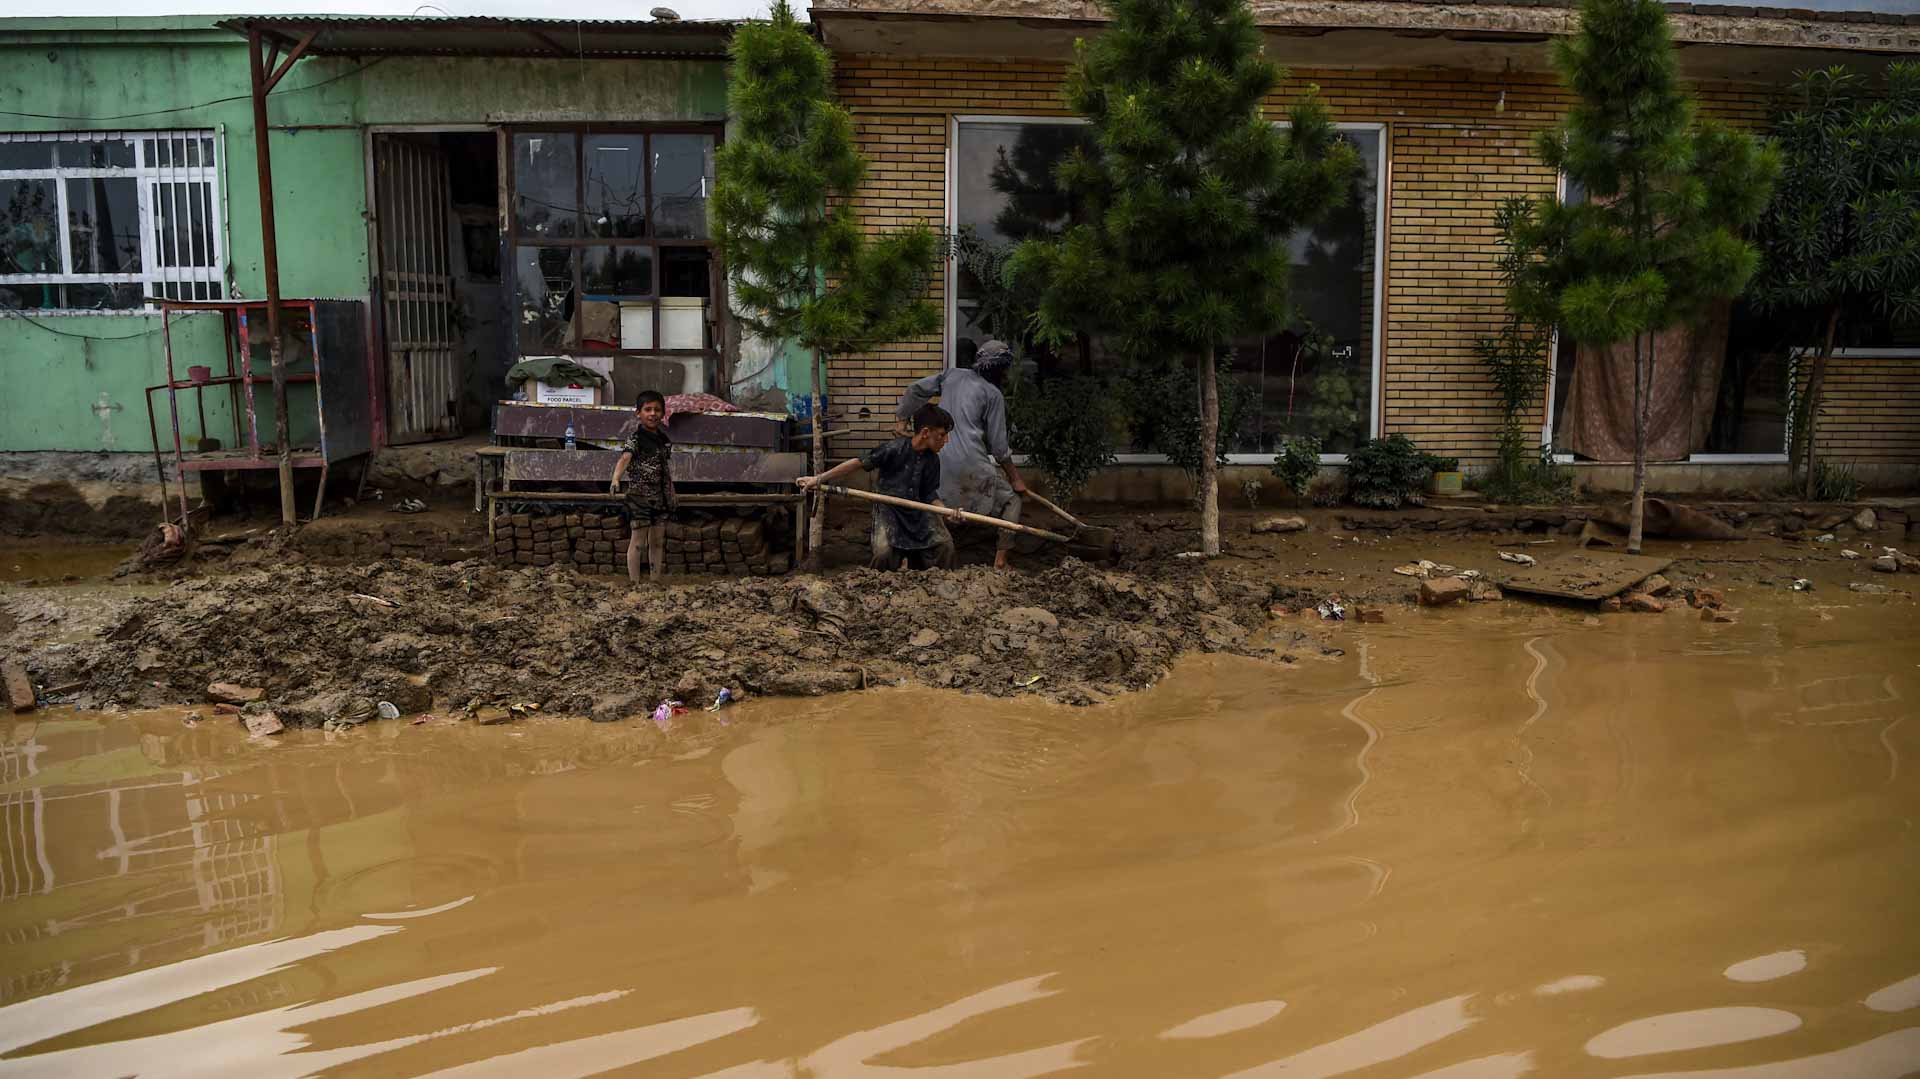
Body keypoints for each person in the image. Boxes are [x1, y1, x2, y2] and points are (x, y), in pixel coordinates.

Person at [895, 339, 1028, 570]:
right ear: (1000, 370)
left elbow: (915, 389)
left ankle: (913, 557)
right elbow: (998, 448)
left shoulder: (951, 376)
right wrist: (1016, 479)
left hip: (938, 461)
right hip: (973, 465)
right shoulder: (993, 394)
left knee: (930, 503)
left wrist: (901, 419)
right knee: (1012, 500)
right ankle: (1000, 562)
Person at [797, 404, 960, 570]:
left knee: (945, 547)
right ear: (925, 432)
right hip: (889, 511)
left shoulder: (933, 460)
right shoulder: (894, 448)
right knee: (884, 553)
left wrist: (946, 512)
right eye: (942, 435)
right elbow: (857, 463)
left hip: (919, 514)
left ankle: (937, 587)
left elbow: (929, 494)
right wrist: (819, 479)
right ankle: (877, 587)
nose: (946, 440)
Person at [610, 390, 676, 584]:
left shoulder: (664, 441)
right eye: (647, 409)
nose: (652, 413)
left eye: (657, 409)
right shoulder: (635, 439)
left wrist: (672, 490)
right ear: (638, 413)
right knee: (638, 542)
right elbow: (625, 458)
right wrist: (616, 479)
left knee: (657, 541)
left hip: (661, 497)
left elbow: (666, 468)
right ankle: (635, 583)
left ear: (663, 413)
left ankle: (655, 582)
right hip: (640, 497)